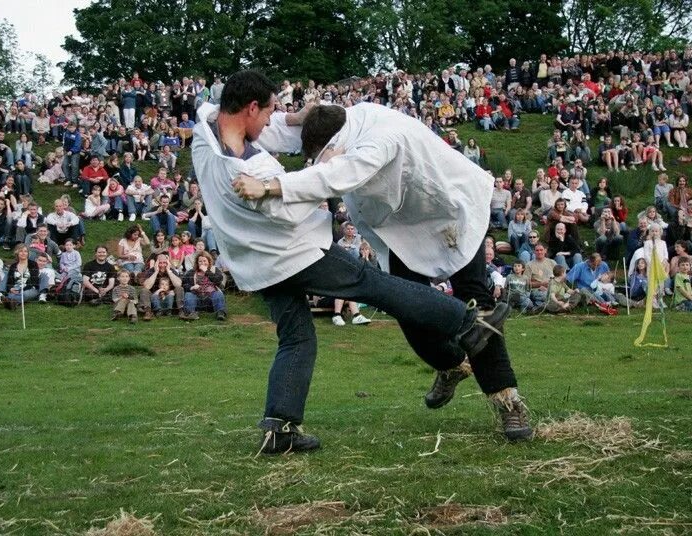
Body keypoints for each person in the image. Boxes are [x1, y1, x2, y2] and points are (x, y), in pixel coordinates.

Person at [217, 73, 522, 452]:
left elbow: (338, 173)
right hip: (399, 228)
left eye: (320, 158)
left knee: (477, 308)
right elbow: (265, 125)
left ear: (337, 146)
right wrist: (274, 116)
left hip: (451, 212)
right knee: (409, 308)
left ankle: (509, 403)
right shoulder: (331, 123)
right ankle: (450, 364)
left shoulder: (379, 138)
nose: (317, 162)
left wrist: (272, 186)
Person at [180, 251, 227, 321]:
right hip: (197, 299)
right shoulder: (191, 272)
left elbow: (218, 280)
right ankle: (190, 313)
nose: (202, 263)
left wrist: (206, 271)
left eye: (204, 261)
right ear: (197, 262)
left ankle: (220, 313)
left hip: (211, 300)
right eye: (200, 261)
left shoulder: (214, 269)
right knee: (188, 295)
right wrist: (191, 287)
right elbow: (184, 284)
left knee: (218, 294)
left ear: (209, 261)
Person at [1, 244, 40, 309]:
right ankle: (12, 302)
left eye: (25, 251)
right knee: (12, 293)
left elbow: (34, 281)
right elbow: (9, 282)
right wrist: (11, 288)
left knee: (24, 294)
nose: (23, 253)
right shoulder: (13, 266)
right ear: (17, 253)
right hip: (16, 288)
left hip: (30, 288)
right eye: (21, 251)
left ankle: (10, 301)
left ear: (28, 253)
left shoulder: (33, 264)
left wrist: (22, 290)